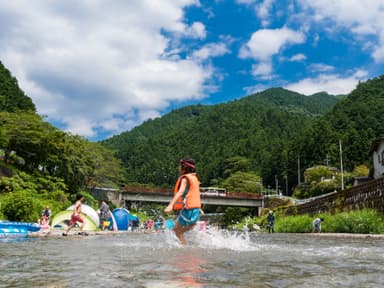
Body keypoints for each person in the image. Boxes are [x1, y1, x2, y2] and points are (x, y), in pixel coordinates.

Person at [164, 157, 202, 245]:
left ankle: (185, 250)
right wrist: (199, 208)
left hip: (189, 210)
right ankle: (186, 247)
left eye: (180, 166)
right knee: (180, 232)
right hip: (195, 211)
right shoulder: (194, 178)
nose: (179, 168)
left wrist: (170, 205)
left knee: (176, 232)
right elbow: (196, 194)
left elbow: (180, 192)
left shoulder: (185, 179)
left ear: (184, 168)